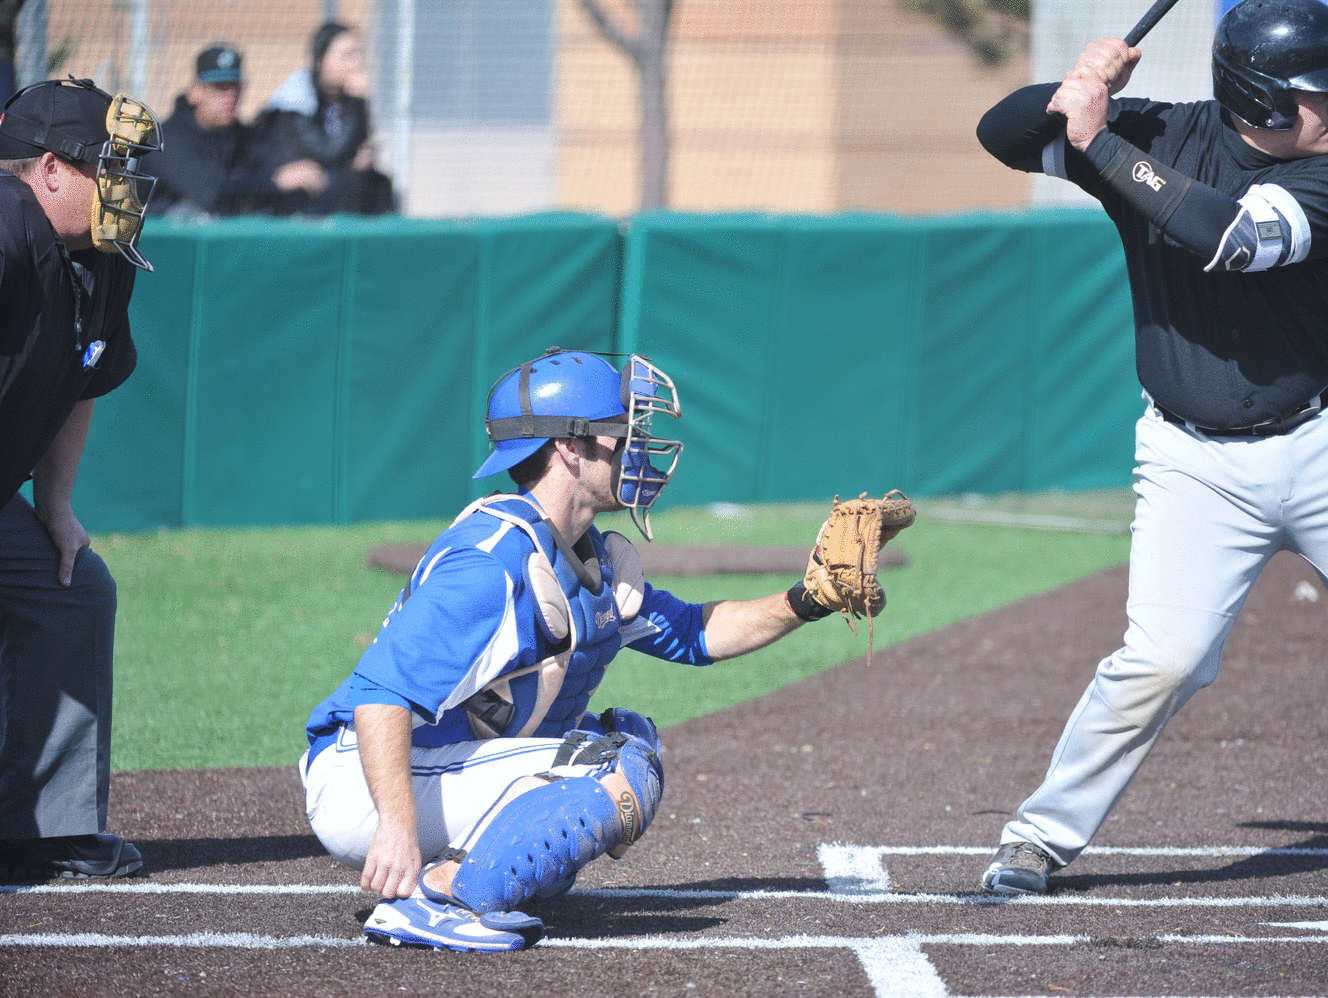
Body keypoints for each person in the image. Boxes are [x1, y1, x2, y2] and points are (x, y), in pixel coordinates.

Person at [973, 0, 1328, 896]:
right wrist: (1077, 88)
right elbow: (1002, 134)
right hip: (1194, 462)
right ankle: (1040, 837)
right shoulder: (1157, 133)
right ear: (1257, 98)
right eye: (1319, 92)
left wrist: (1100, 142)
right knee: (1160, 659)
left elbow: (1230, 237)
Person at [301, 348, 892, 951]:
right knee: (609, 768)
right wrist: (396, 829)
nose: (636, 448)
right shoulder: (491, 559)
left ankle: (469, 873)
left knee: (627, 738)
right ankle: (436, 900)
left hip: (433, 766)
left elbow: (695, 633)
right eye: (621, 434)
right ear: (568, 448)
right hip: (368, 781)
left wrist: (810, 598)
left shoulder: (586, 554)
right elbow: (379, 695)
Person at [0, 77, 161, 880]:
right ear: (52, 169)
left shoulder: (100, 256)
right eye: (110, 165)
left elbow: (81, 380)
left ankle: (42, 831)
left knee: (73, 590)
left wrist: (54, 505)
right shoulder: (1, 226)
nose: (125, 185)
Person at [147, 45, 322, 219]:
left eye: (235, 86)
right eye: (219, 87)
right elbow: (212, 193)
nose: (230, 95)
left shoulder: (245, 137)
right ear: (194, 92)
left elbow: (299, 173)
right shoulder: (166, 139)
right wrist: (274, 182)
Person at [254, 21, 395, 217]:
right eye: (348, 55)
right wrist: (356, 102)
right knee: (352, 183)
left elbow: (360, 150)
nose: (358, 63)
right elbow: (329, 155)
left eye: (359, 54)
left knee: (380, 183)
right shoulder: (296, 97)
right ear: (322, 60)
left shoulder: (343, 98)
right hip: (287, 195)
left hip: (331, 184)